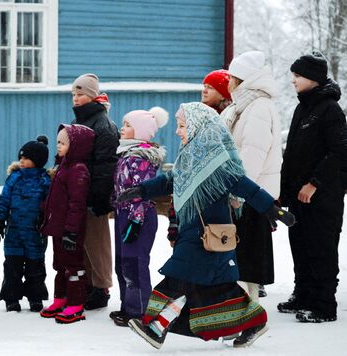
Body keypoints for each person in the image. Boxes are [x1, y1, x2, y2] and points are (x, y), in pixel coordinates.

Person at [118, 102, 295, 349]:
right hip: (194, 233)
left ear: (198, 127)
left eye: (182, 126)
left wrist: (271, 208)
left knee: (177, 278)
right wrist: (142, 190)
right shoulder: (190, 157)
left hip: (209, 235)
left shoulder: (215, 161)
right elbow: (171, 180)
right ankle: (252, 321)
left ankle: (156, 327)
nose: (178, 131)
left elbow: (243, 184)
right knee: (214, 288)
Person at [279, 52, 347, 323]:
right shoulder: (303, 107)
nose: (293, 80)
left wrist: (314, 183)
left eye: (297, 75)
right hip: (298, 196)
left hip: (322, 197)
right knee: (300, 245)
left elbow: (340, 151)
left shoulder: (330, 109)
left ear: (314, 78)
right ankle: (304, 294)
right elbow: (294, 153)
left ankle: (323, 305)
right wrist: (284, 192)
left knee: (321, 248)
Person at [221, 51, 282, 302]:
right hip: (246, 193)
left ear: (242, 79)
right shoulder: (243, 107)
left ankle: (250, 312)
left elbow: (253, 154)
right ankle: (243, 309)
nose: (227, 82)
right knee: (243, 256)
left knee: (249, 259)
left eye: (231, 77)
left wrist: (239, 192)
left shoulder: (258, 108)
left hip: (250, 195)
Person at [110, 107, 168, 327]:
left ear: (140, 130)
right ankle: (128, 306)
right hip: (123, 214)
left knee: (135, 263)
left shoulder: (140, 158)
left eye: (127, 125)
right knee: (123, 263)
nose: (122, 129)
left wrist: (135, 220)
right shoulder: (126, 154)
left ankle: (140, 311)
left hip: (138, 217)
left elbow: (142, 193)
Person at [70, 73, 119, 310]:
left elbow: (106, 165)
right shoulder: (82, 120)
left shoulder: (103, 124)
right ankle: (89, 284)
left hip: (94, 193)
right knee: (84, 241)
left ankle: (101, 287)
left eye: (80, 94)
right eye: (74, 94)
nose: (76, 99)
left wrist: (100, 198)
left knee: (97, 242)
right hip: (80, 192)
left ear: (92, 96)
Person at [39, 124, 95, 324]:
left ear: (77, 146)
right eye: (58, 143)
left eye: (63, 143)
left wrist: (71, 231)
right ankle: (60, 298)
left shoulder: (78, 170)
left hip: (70, 230)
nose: (58, 147)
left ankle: (76, 304)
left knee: (73, 267)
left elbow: (77, 204)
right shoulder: (63, 166)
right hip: (57, 227)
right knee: (59, 265)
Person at [0, 136, 52, 313]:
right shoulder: (14, 178)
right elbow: (4, 201)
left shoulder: (45, 181)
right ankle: (11, 298)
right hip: (14, 233)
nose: (22, 161)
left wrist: (46, 219)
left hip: (35, 233)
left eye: (26, 158)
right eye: (21, 157)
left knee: (36, 266)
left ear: (38, 160)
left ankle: (35, 297)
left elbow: (50, 204)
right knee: (12, 266)